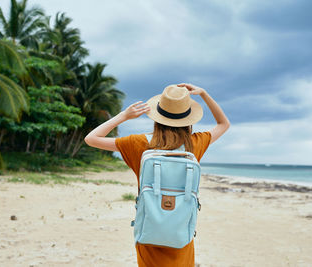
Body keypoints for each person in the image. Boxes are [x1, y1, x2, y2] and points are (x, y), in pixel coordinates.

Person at [84, 83, 230, 266]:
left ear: (157, 116)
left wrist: (123, 116)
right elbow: (224, 124)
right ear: (188, 119)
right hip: (181, 233)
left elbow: (91, 139)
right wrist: (204, 94)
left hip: (149, 230)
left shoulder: (138, 143)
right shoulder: (194, 144)